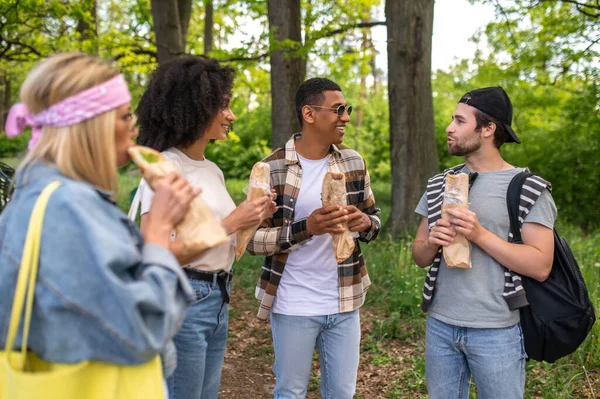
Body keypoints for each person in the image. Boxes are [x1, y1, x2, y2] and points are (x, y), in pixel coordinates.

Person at [0, 53, 195, 377]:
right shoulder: (68, 208)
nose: (134, 128)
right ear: (91, 127)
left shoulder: (40, 195)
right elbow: (144, 328)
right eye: (124, 116)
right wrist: (159, 228)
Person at [134, 56, 276, 399]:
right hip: (184, 298)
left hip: (218, 298)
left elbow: (221, 238)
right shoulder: (166, 166)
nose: (231, 116)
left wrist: (252, 219)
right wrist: (231, 222)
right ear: (196, 108)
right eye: (223, 106)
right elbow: (154, 250)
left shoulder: (212, 169)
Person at [412, 86, 557, 398]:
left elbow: (541, 265)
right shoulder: (441, 184)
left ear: (489, 129)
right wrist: (432, 242)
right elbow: (420, 255)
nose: (449, 128)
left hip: (498, 330)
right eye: (452, 119)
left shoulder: (528, 188)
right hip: (440, 325)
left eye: (460, 121)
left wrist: (479, 235)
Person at [246, 77, 381, 399]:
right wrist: (307, 228)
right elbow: (251, 241)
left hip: (345, 301)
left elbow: (374, 222)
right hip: (294, 302)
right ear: (309, 113)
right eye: (338, 110)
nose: (345, 117)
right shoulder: (271, 168)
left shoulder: (353, 162)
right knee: (291, 391)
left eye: (346, 109)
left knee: (341, 393)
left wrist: (364, 223)